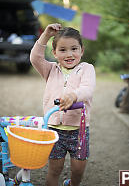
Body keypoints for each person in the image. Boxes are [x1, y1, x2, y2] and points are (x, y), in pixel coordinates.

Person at [30, 23, 96, 186]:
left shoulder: (86, 69)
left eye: (74, 49)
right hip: (54, 129)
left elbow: (87, 89)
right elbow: (35, 58)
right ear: (54, 53)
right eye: (63, 50)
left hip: (78, 131)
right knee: (54, 169)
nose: (69, 54)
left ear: (82, 50)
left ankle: (73, 183)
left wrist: (74, 96)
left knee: (78, 169)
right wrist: (45, 36)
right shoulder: (50, 69)